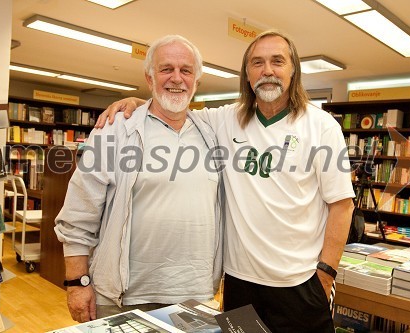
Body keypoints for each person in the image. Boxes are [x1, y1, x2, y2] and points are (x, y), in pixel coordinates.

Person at [98, 30, 355, 332]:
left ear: (293, 70)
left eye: (277, 61)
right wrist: (137, 101)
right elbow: (172, 106)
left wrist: (325, 274)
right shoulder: (223, 120)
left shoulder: (321, 126)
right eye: (257, 63)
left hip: (299, 283)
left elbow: (342, 205)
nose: (267, 70)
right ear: (247, 74)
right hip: (238, 284)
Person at [54, 35, 224, 323]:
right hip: (122, 298)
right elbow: (79, 213)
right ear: (149, 77)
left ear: (197, 82)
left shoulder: (213, 131)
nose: (176, 78)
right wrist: (77, 283)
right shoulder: (115, 130)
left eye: (186, 70)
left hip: (195, 297)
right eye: (166, 69)